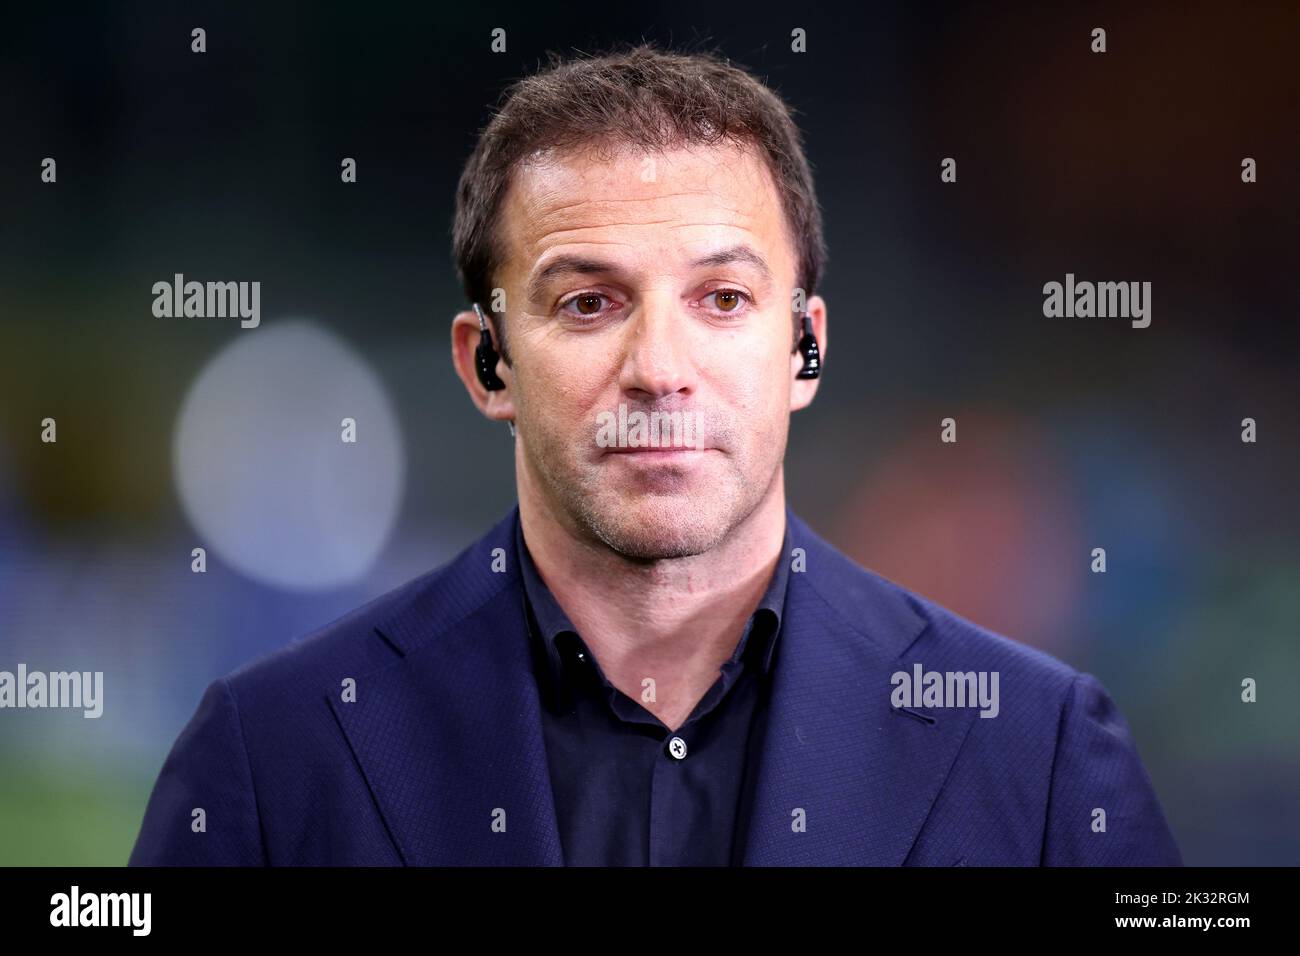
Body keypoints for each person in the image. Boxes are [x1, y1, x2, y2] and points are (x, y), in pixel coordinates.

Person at [129, 44, 1181, 866]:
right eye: (589, 302)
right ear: (487, 362)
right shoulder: (274, 753)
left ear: (804, 347)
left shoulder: (1040, 752)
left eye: (721, 299)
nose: (658, 366)